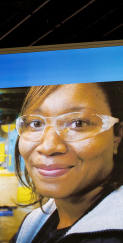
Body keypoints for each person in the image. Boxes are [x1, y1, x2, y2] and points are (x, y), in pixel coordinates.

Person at [11, 81, 123, 243]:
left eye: (78, 123)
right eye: (36, 123)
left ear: (117, 135)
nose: (48, 146)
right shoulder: (33, 224)